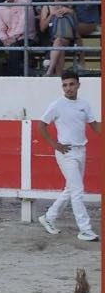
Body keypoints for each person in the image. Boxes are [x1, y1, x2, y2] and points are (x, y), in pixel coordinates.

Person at [36, 71, 100, 242]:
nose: (68, 88)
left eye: (71, 84)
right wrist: (54, 144)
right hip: (66, 152)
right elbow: (41, 125)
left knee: (71, 189)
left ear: (78, 85)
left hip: (81, 150)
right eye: (65, 85)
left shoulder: (84, 105)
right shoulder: (57, 105)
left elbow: (95, 126)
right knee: (77, 191)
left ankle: (49, 217)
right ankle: (85, 229)